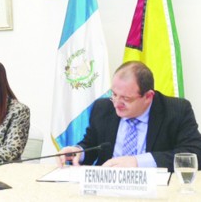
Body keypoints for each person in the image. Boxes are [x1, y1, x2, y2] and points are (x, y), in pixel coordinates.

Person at [57, 61, 201, 172]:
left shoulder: (176, 111)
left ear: (148, 97)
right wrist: (79, 152)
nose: (117, 104)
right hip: (107, 188)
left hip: (153, 192)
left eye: (126, 98)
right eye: (114, 94)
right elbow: (92, 144)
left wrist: (138, 162)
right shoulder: (103, 108)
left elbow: (195, 154)